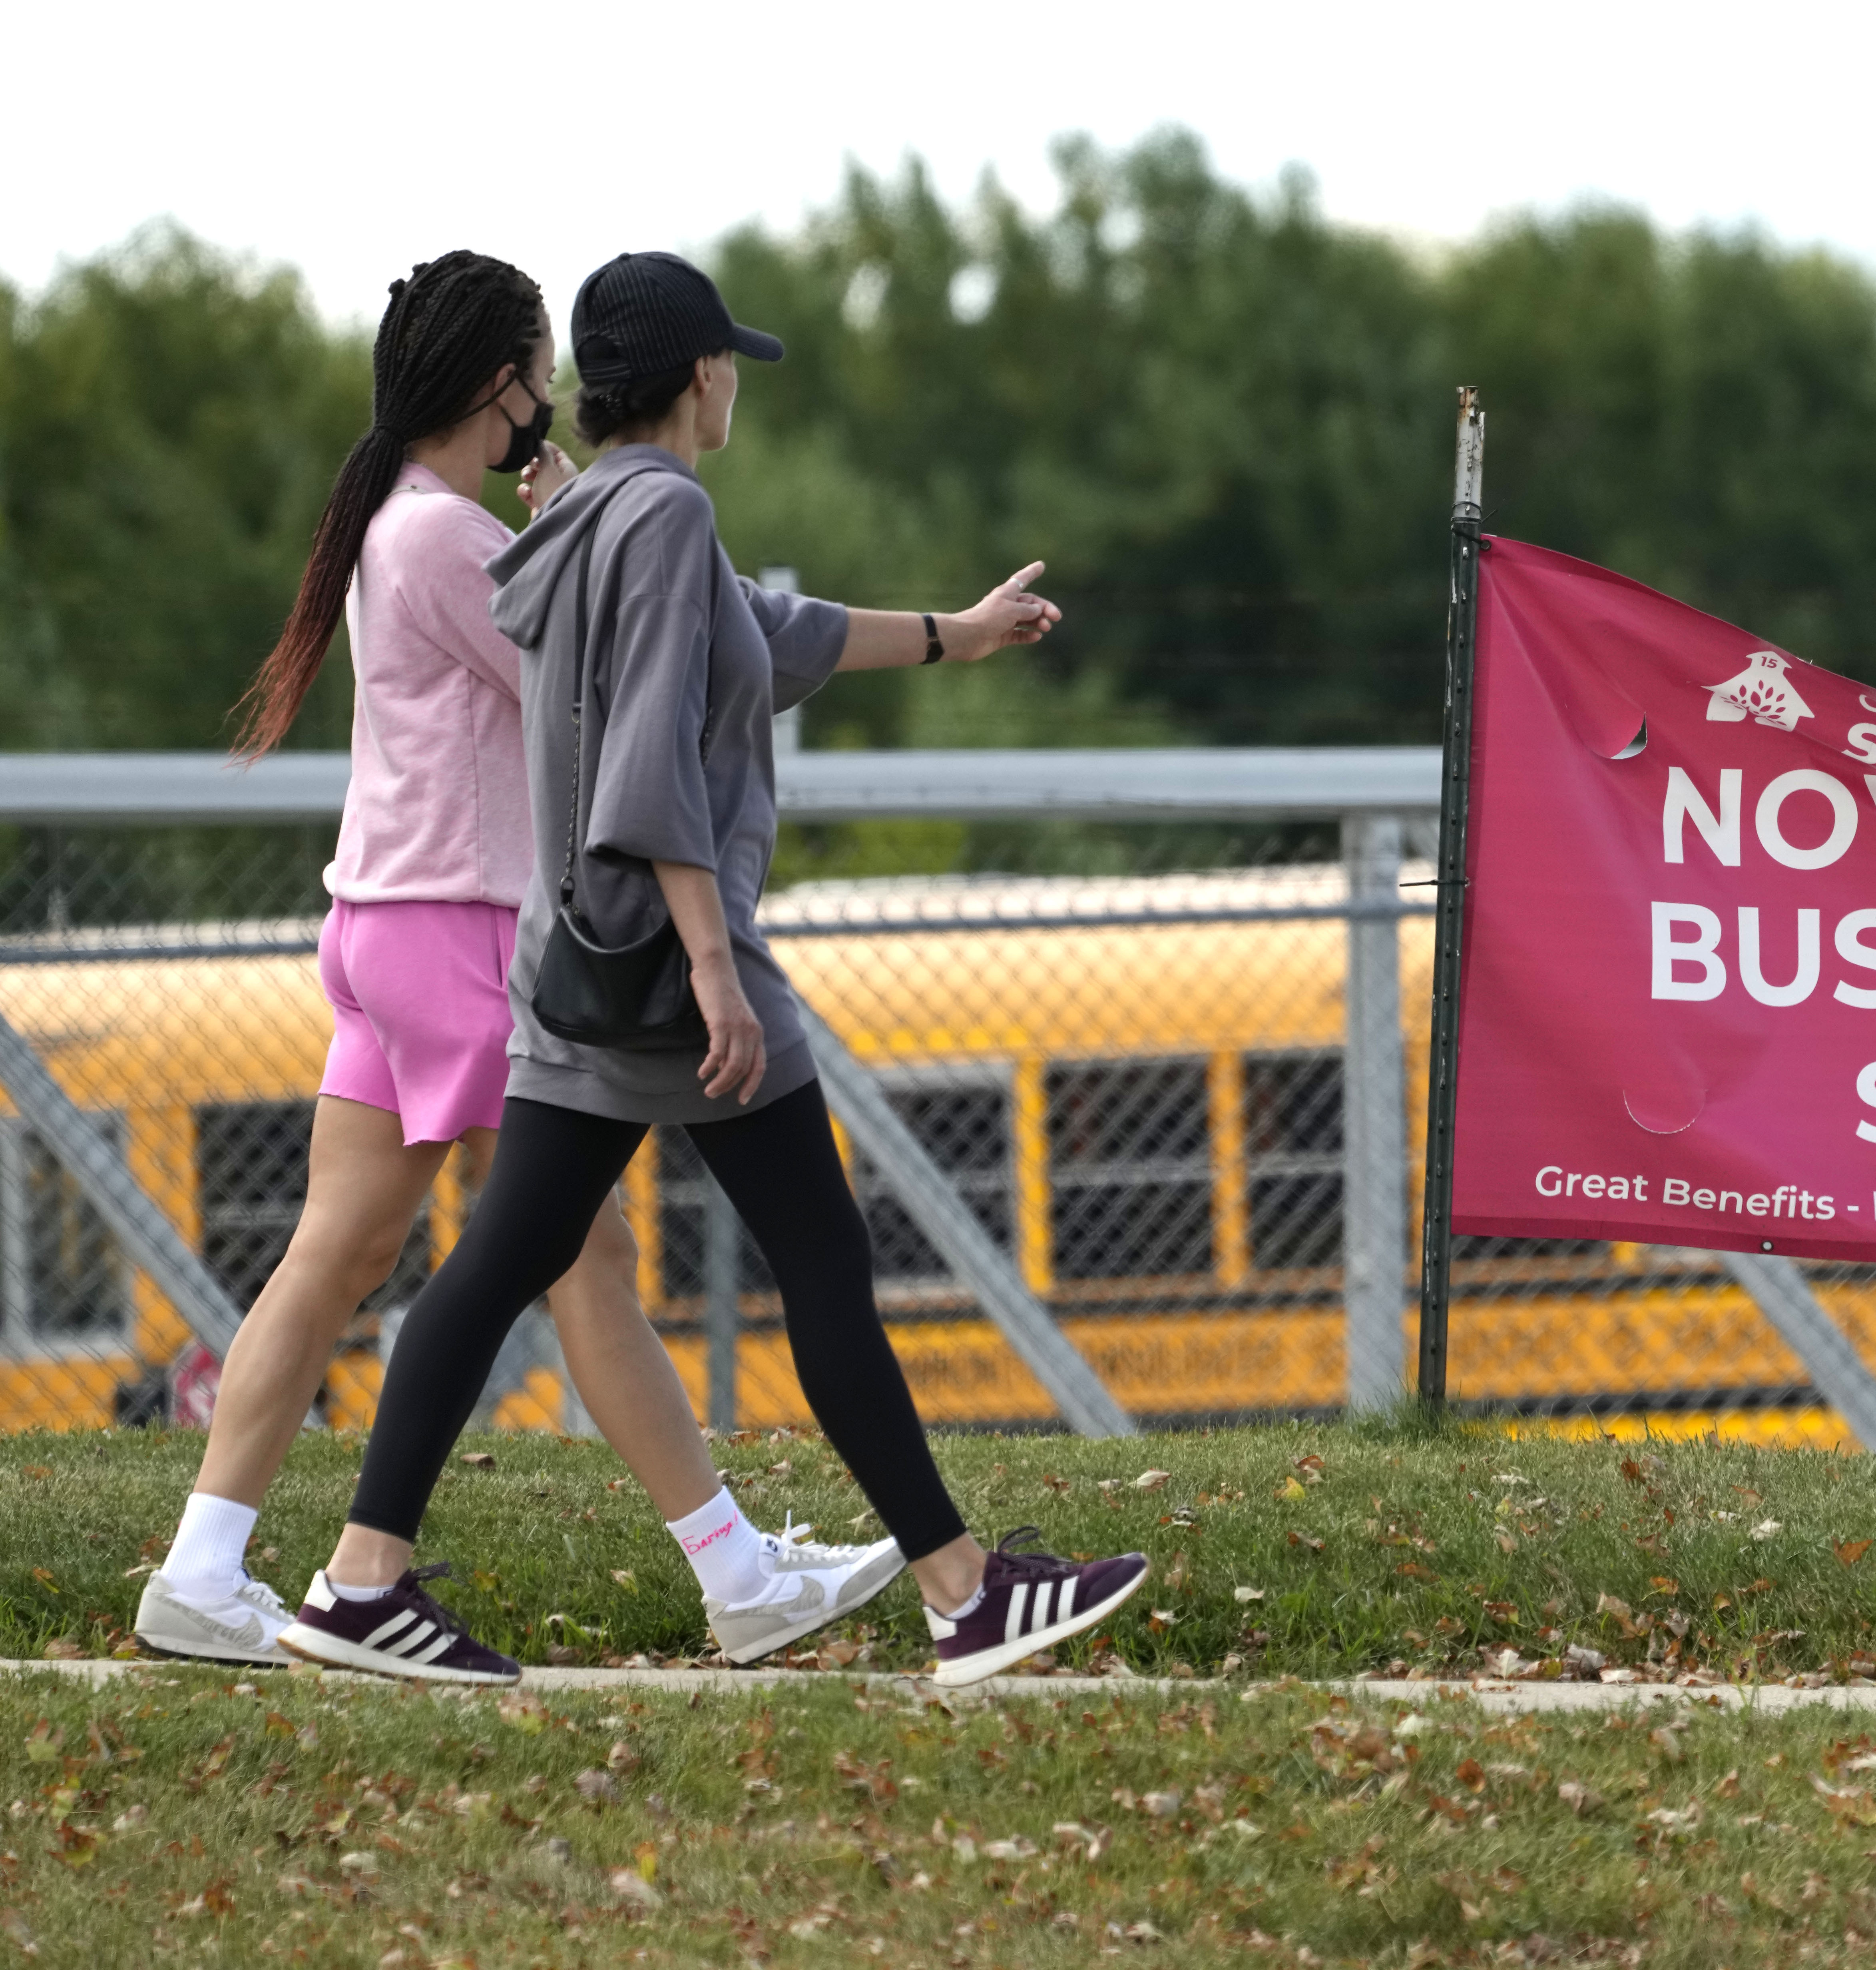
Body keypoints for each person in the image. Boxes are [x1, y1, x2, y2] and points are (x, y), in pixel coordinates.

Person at [281, 252, 1147, 1689]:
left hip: (570, 971)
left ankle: (361, 1579)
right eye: (729, 361)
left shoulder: (578, 520)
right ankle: (964, 1594)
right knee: (822, 1261)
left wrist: (954, 634)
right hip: (675, 977)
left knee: (500, 1261)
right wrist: (715, 968)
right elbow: (648, 772)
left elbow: (768, 635)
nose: (735, 379)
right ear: (700, 378)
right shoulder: (665, 512)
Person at [139, 251, 892, 1675]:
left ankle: (204, 1564)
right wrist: (578, 546)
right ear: (501, 386)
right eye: (537, 375)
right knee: (585, 1257)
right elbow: (592, 681)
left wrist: (553, 533)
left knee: (342, 1250)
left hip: (379, 925)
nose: (551, 400)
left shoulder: (405, 524)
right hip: (459, 929)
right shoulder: (445, 540)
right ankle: (735, 1572)